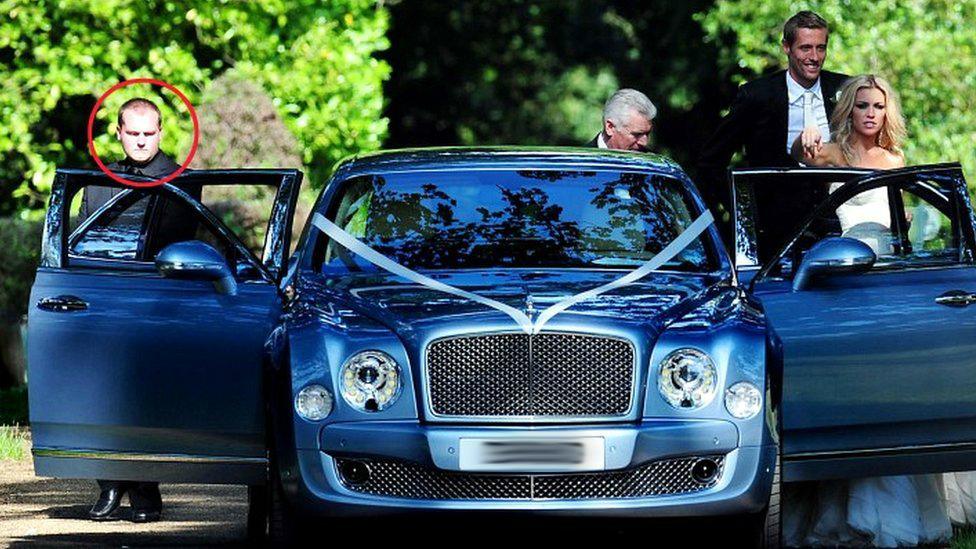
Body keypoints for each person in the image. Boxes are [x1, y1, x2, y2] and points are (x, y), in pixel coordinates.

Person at [783, 74, 974, 546]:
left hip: (888, 276)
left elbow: (896, 219)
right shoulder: (832, 152)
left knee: (899, 389)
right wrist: (801, 140)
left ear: (888, 112)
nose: (871, 113)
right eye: (863, 104)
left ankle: (898, 508)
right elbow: (798, 157)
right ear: (849, 108)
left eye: (879, 106)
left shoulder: (894, 160)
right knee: (855, 389)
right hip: (844, 280)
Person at [84, 97, 178, 523]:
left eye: (148, 133)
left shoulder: (181, 179)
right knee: (103, 395)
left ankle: (144, 488)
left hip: (157, 304)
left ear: (160, 133)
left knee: (148, 397)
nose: (141, 141)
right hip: (108, 304)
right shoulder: (97, 182)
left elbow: (179, 244)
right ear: (118, 133)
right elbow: (83, 246)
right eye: (132, 133)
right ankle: (109, 485)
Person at [697, 10, 849, 247]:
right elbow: (711, 161)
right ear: (786, 47)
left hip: (839, 222)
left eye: (821, 48)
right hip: (774, 232)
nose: (814, 56)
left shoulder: (845, 89)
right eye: (805, 48)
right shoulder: (757, 95)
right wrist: (742, 212)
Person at [586, 88, 656, 151]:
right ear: (610, 127)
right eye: (637, 134)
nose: (644, 143)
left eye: (647, 134)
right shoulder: (579, 162)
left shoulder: (653, 162)